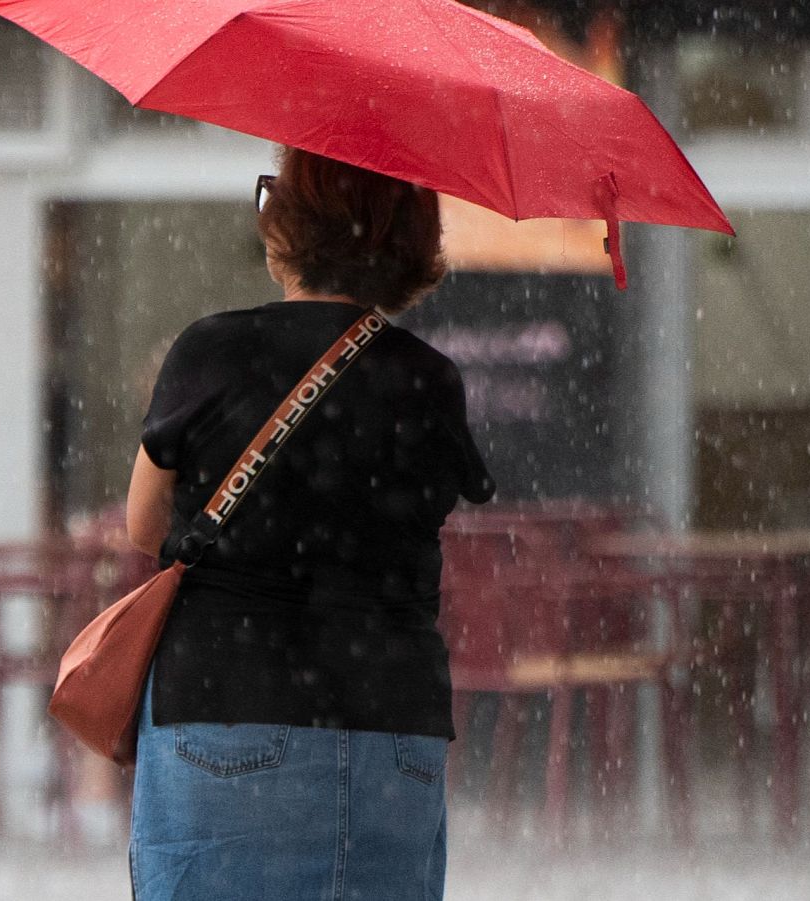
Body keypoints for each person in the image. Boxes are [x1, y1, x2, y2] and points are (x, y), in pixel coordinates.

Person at [124, 146, 494, 901]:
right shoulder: (430, 379)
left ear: (291, 223)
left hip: (225, 708)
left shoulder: (212, 349)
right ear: (410, 243)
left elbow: (143, 523)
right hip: (395, 728)